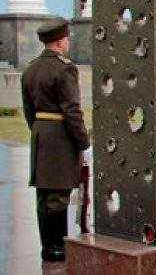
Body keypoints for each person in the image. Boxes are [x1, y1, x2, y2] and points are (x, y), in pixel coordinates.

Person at [21, 18, 90, 262]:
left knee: (43, 194)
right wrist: (84, 141)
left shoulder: (31, 68)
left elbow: (28, 110)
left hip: (40, 132)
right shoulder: (65, 69)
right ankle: (57, 248)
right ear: (61, 41)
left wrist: (39, 130)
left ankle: (47, 246)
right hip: (60, 136)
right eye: (67, 38)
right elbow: (72, 110)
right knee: (58, 195)